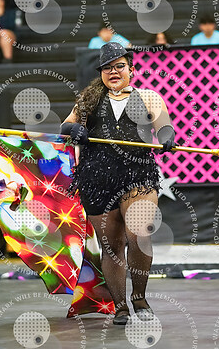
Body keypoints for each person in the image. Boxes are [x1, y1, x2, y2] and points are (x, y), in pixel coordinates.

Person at [60, 42, 176, 325]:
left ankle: (140, 299)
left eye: (119, 66)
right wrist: (74, 129)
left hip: (138, 176)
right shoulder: (88, 100)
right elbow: (64, 126)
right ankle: (120, 307)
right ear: (101, 73)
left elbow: (164, 124)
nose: (113, 71)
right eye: (107, 68)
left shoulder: (148, 97)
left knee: (139, 235)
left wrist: (167, 137)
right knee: (111, 245)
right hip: (96, 180)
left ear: (131, 69)